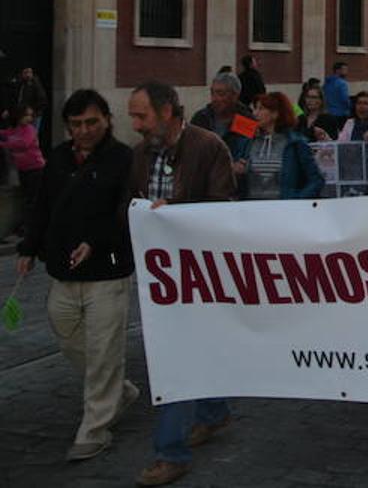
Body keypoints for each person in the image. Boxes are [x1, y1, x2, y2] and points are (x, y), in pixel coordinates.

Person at [17, 89, 137, 462]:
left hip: (107, 270)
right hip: (62, 269)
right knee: (66, 332)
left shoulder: (124, 159)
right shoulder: (57, 158)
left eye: (91, 123)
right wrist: (28, 247)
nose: (83, 131)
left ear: (106, 120)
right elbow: (43, 206)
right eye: (76, 124)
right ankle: (120, 390)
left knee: (103, 349)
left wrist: (95, 243)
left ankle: (95, 428)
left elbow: (126, 212)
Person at [126, 81, 234, 487]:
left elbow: (224, 208)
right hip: (159, 274)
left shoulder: (208, 147)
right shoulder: (140, 154)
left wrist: (177, 212)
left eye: (142, 116)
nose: (134, 124)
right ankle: (213, 411)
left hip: (198, 273)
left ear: (167, 111)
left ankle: (170, 452)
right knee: (189, 349)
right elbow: (130, 203)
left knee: (174, 356)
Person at [233, 92, 323, 200]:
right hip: (252, 209)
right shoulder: (247, 143)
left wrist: (297, 200)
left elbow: (316, 180)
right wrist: (237, 173)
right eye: (255, 108)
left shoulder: (296, 143)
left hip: (283, 210)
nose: (255, 113)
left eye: (260, 109)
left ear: (275, 114)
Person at [1, 103, 45, 231]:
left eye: (31, 115)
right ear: (18, 116)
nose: (30, 118)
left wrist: (4, 144)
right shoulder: (14, 129)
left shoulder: (30, 129)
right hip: (23, 170)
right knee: (26, 198)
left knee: (32, 199)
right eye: (26, 115)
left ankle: (31, 226)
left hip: (35, 168)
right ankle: (27, 224)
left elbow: (23, 144)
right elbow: (5, 134)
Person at [188, 72, 251, 148]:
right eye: (212, 93)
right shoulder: (201, 118)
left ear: (235, 96)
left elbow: (249, 151)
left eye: (220, 94)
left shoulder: (246, 120)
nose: (214, 98)